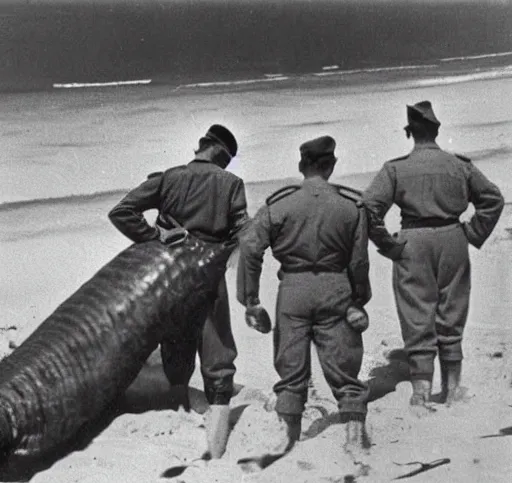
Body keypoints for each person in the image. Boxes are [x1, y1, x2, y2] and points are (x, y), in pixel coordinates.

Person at [108, 124, 249, 458]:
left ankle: (178, 398)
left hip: (171, 269)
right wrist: (223, 252)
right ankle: (216, 434)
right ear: (221, 155)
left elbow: (121, 212)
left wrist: (155, 238)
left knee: (175, 335)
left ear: (201, 146)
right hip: (209, 270)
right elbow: (246, 231)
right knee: (215, 341)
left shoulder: (168, 178)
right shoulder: (231, 184)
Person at [363, 101, 504, 410]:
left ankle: (420, 392)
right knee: (452, 311)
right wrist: (472, 233)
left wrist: (388, 245)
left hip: (412, 242)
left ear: (409, 132)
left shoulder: (395, 168)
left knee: (417, 313)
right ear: (437, 130)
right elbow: (493, 199)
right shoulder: (460, 165)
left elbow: (368, 210)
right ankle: (452, 389)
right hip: (453, 238)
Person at [237, 135, 372, 453]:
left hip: (293, 291)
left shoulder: (279, 204)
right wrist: (358, 299)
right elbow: (359, 261)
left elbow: (249, 246)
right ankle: (354, 435)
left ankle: (287, 435)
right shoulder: (352, 205)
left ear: (301, 165)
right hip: (335, 287)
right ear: (332, 165)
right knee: (343, 364)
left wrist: (251, 300)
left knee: (290, 365)